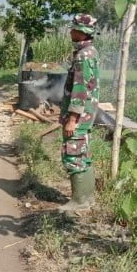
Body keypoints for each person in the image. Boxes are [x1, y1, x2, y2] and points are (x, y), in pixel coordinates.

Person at [59, 14, 101, 212]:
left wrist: (72, 119)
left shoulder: (84, 56)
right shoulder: (90, 52)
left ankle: (79, 201)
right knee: (83, 153)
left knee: (73, 155)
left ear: (82, 32)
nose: (70, 31)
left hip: (80, 115)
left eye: (74, 28)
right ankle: (88, 198)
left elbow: (80, 89)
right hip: (87, 113)